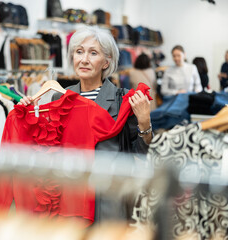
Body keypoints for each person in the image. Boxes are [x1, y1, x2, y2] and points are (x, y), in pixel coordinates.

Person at [20, 27, 153, 222]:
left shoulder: (122, 99)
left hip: (108, 197)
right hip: (71, 193)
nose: (84, 59)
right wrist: (28, 115)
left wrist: (144, 122)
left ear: (106, 61)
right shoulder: (61, 98)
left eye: (93, 53)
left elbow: (143, 152)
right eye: (79, 51)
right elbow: (48, 148)